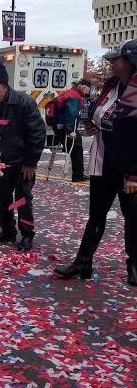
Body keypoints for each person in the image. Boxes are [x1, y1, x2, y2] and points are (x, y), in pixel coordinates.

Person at [55, 40, 137, 286]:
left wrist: (133, 174)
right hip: (103, 161)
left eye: (117, 59)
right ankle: (83, 262)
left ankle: (134, 265)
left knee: (133, 217)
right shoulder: (111, 86)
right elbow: (98, 113)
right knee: (96, 215)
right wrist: (92, 124)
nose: (112, 64)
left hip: (129, 167)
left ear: (130, 62)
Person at [0, 61, 46, 252]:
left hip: (24, 161)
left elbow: (38, 134)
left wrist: (31, 162)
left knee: (23, 198)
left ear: (4, 85)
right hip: (4, 162)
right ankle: (7, 230)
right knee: (2, 196)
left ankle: (27, 235)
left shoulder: (24, 102)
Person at [57, 78, 92, 182]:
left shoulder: (71, 93)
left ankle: (78, 174)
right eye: (88, 89)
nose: (88, 92)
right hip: (66, 127)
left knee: (76, 147)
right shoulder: (74, 96)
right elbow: (71, 115)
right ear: (82, 87)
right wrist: (71, 131)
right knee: (77, 146)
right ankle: (78, 175)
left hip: (61, 125)